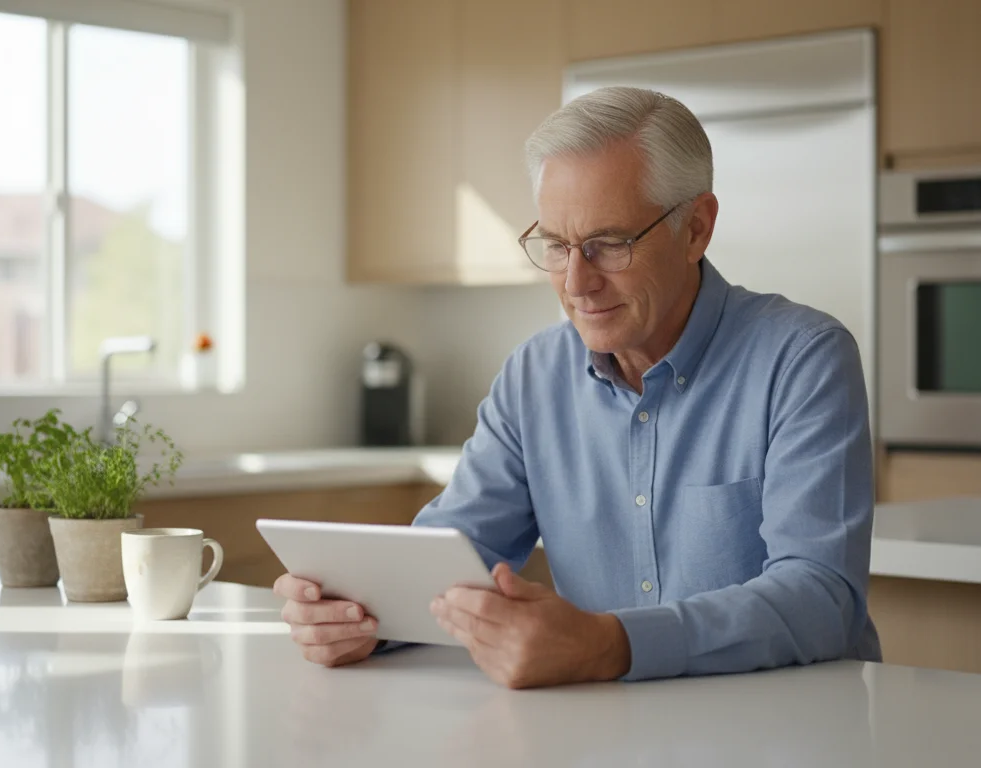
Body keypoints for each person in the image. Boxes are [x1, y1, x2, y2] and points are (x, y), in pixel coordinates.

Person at [275, 86, 881, 688]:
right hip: (603, 732)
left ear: (696, 228)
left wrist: (613, 644)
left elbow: (821, 598)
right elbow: (455, 554)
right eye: (557, 246)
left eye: (608, 245)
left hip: (791, 731)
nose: (576, 282)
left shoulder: (803, 359)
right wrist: (356, 614)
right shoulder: (532, 376)